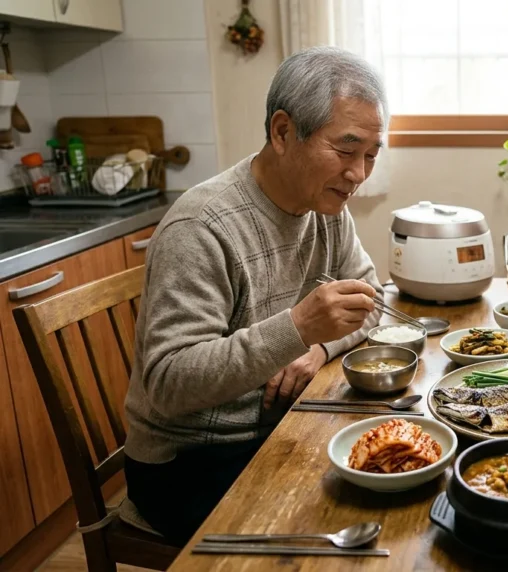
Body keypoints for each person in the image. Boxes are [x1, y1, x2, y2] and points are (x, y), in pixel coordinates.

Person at [122, 46, 387, 545]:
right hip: (188, 461)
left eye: (372, 155)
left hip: (275, 427)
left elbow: (369, 300)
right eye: (346, 150)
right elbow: (167, 382)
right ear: (283, 132)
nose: (358, 174)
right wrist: (296, 329)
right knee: (344, 525)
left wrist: (317, 347)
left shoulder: (326, 205)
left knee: (397, 472)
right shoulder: (200, 226)